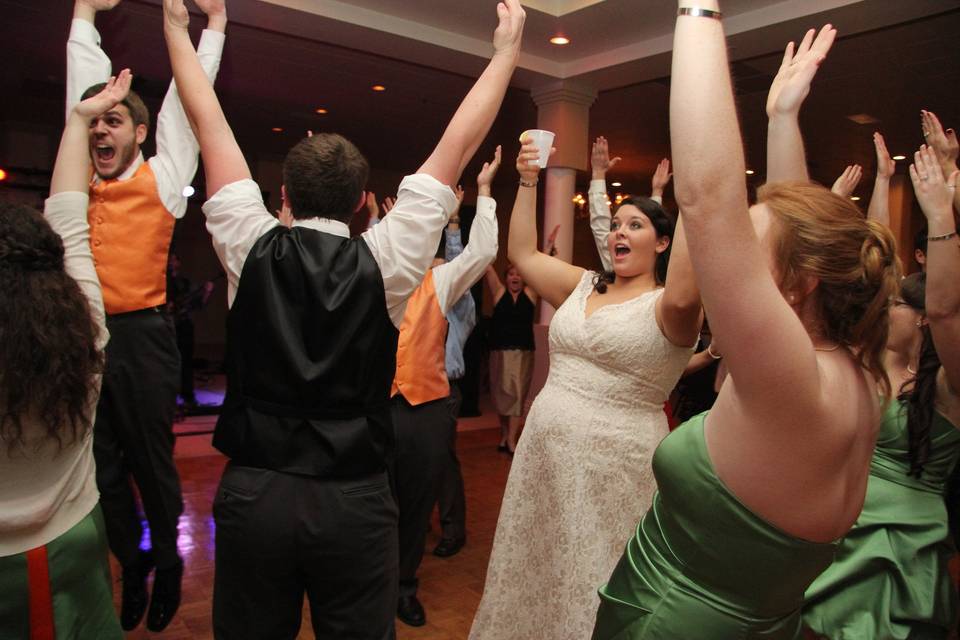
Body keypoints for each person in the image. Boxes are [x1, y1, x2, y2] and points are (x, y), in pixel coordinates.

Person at [161, 0, 525, 637]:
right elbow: (458, 143)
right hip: (353, 500)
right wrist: (506, 53)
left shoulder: (249, 245)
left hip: (257, 495)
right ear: (363, 203)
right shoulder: (386, 260)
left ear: (281, 195)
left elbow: (207, 121)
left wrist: (175, 29)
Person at [592, 10, 899, 638]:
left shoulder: (787, 382)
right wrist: (781, 118)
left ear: (796, 283)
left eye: (750, 259)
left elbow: (707, 197)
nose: (734, 277)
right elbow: (798, 237)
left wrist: (697, 11)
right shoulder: (854, 372)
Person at [469, 130, 702, 638]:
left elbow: (688, 286)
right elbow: (523, 253)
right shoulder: (580, 284)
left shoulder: (670, 309)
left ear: (663, 241)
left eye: (635, 225)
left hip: (616, 467)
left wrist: (693, 196)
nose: (619, 231)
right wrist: (527, 179)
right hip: (544, 460)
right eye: (616, 224)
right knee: (534, 565)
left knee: (595, 574)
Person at [67, 0, 226, 630]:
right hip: (83, 340)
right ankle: (130, 566)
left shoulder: (162, 176)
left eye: (114, 122)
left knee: (150, 462)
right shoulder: (74, 177)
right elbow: (78, 92)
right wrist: (83, 13)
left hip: (144, 337)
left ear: (138, 132)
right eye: (94, 124)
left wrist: (209, 29)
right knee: (101, 469)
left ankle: (168, 563)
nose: (100, 132)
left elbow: (190, 104)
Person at [803, 147, 960, 639]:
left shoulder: (947, 386)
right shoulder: (868, 363)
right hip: (837, 522)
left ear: (918, 317)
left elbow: (947, 310)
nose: (880, 305)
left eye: (893, 303)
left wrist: (939, 216)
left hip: (900, 546)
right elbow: (876, 271)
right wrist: (855, 199)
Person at [0, 72, 132, 640]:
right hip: (74, 539)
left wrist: (80, 119)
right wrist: (79, 121)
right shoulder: (89, 334)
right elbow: (70, 219)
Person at [390, 147, 501, 628]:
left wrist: (485, 192)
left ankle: (402, 587)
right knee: (370, 502)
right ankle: (365, 586)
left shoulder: (441, 280)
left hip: (427, 407)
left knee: (416, 507)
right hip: (375, 407)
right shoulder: (372, 271)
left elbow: (482, 253)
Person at [484, 262, 537, 453]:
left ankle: (512, 440)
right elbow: (488, 268)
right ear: (506, 278)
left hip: (523, 353)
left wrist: (547, 251)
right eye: (511, 274)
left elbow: (537, 272)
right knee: (501, 397)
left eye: (519, 274)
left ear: (524, 279)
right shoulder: (498, 293)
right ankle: (505, 434)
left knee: (518, 396)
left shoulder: (530, 295)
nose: (515, 277)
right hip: (499, 352)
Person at [166, 253, 216, 408]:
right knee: (169, 363)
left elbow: (197, 304)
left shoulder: (185, 283)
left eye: (175, 260)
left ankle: (188, 396)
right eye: (171, 260)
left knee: (186, 362)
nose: (173, 263)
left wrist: (207, 292)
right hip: (167, 328)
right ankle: (168, 398)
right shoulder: (162, 283)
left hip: (184, 326)